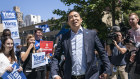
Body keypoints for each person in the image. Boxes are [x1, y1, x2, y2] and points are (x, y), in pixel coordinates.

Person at [51, 10, 111, 79]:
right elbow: (56, 57)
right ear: (68, 22)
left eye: (76, 16)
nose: (74, 18)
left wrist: (107, 70)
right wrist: (55, 74)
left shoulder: (92, 34)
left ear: (81, 20)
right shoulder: (63, 37)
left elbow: (102, 53)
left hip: (91, 76)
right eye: (70, 17)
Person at [128, 13, 140, 79]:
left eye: (132, 19)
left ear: (137, 20)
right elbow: (128, 47)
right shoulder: (128, 31)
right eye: (129, 20)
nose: (130, 21)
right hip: (132, 60)